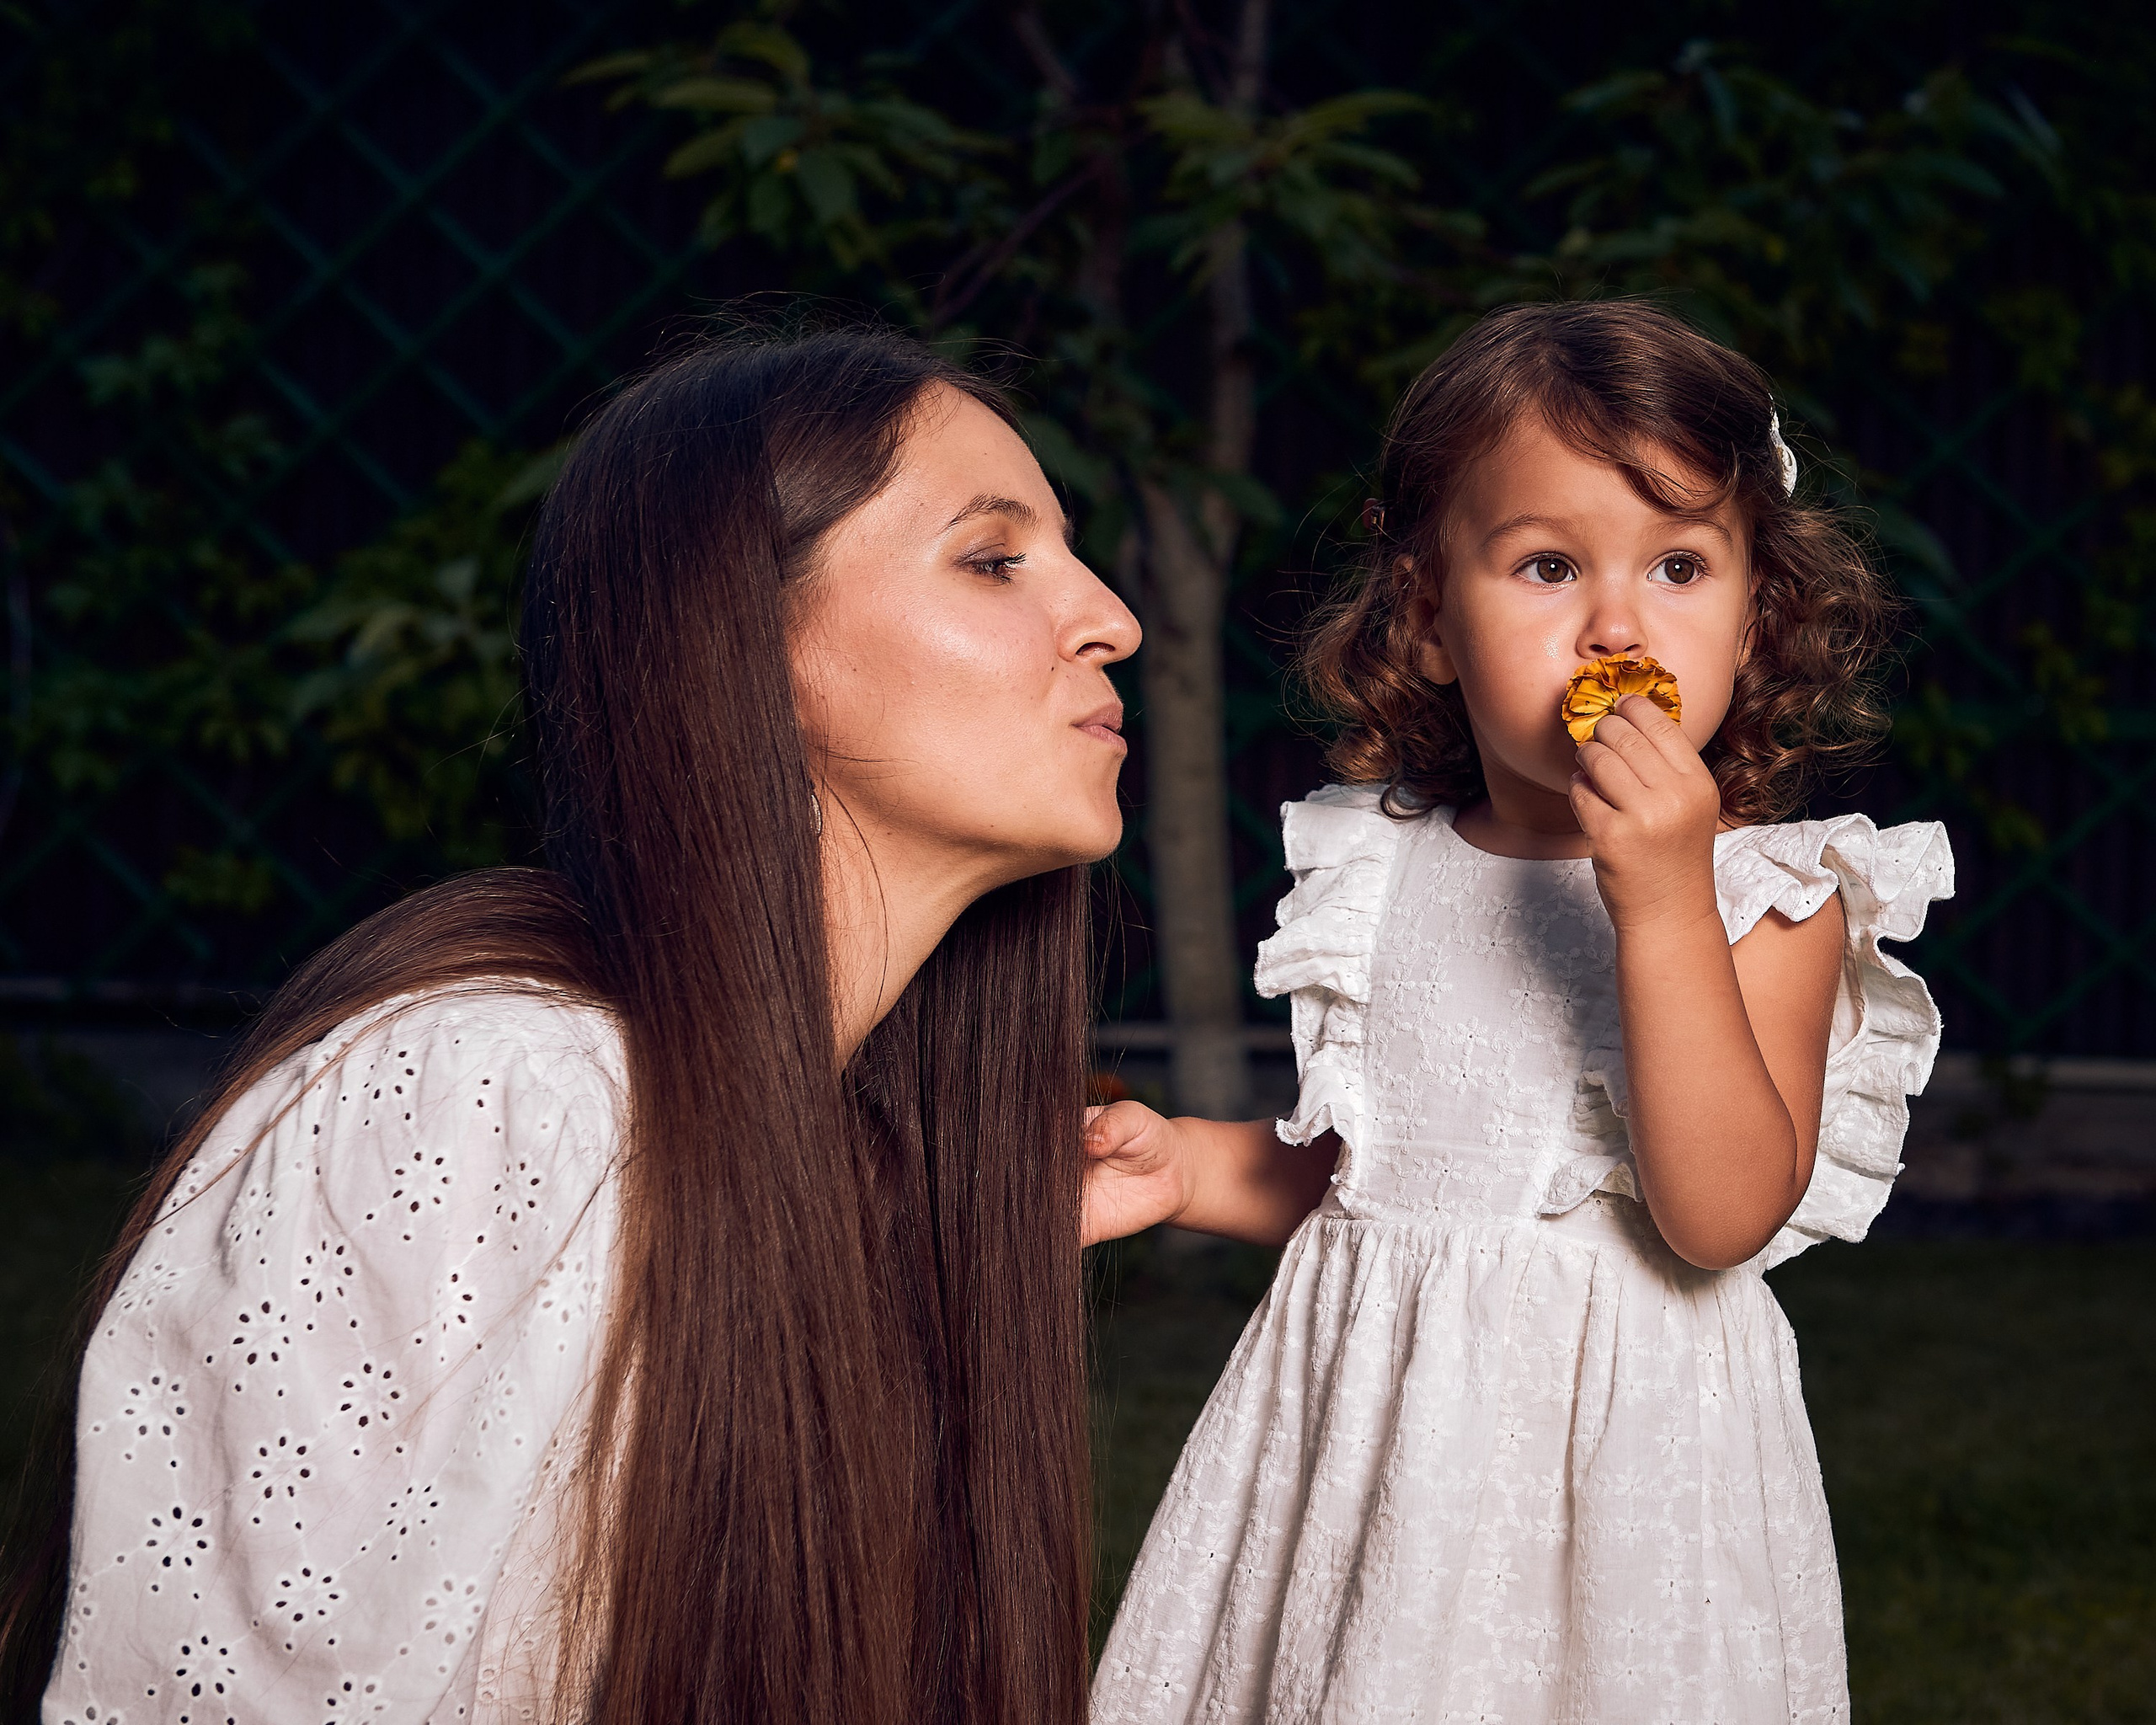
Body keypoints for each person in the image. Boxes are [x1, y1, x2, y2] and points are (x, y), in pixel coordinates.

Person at [4, 325, 1143, 1724]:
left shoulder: (861, 1157)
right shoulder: (493, 1093)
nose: (1112, 619)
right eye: (993, 559)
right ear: (748, 639)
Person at [1085, 300, 1955, 1722]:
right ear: (1432, 619)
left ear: (1756, 616)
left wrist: (1662, 901)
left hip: (1625, 1493)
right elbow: (1374, 1181)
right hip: (1380, 1458)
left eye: (1680, 565)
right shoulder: (1384, 870)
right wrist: (1186, 1166)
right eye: (1549, 566)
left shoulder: (1767, 898)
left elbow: (1722, 1215)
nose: (1618, 624)